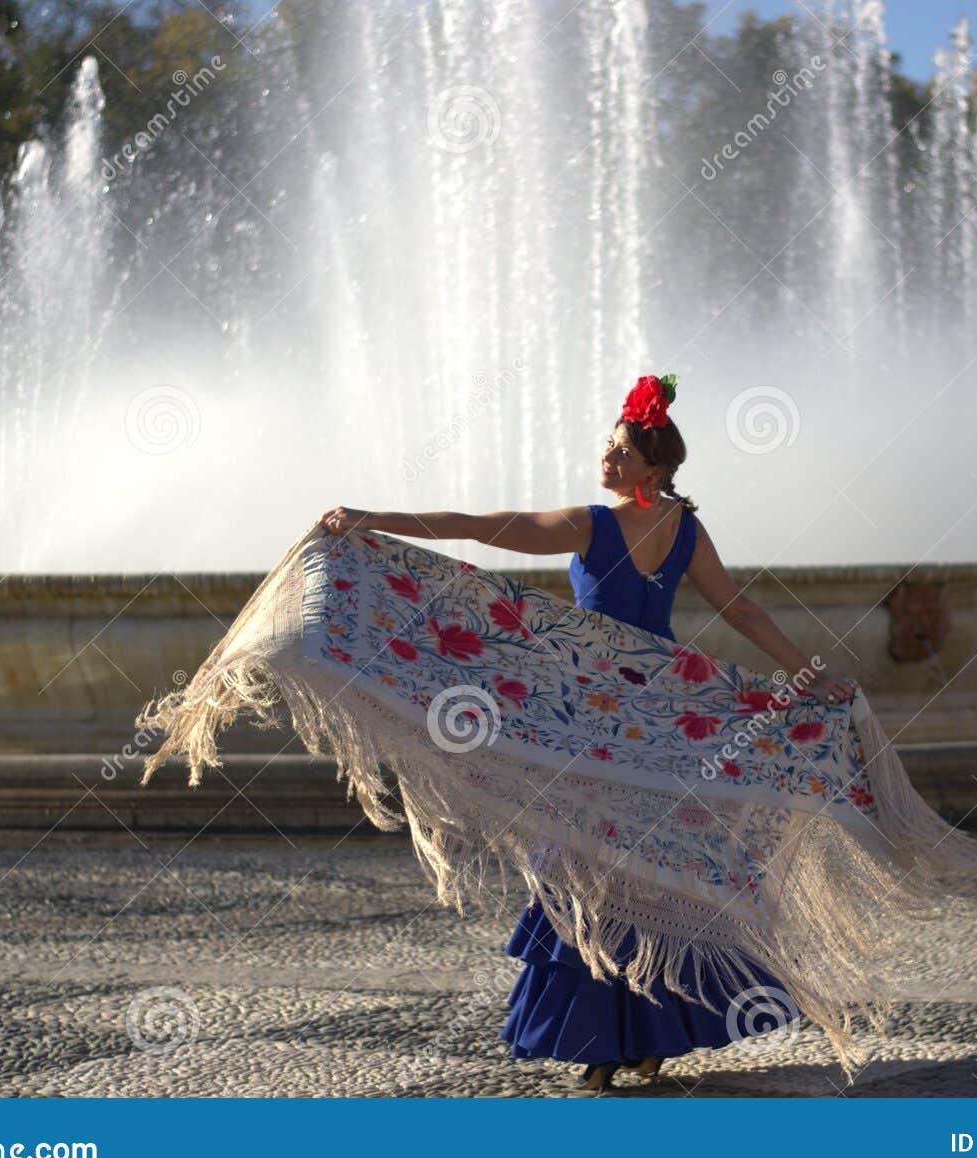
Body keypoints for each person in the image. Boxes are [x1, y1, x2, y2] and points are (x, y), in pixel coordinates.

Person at [318, 373, 857, 1093]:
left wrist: (371, 518)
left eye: (619, 452)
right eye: (607, 448)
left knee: (578, 861)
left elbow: (480, 526)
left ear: (652, 468)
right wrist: (808, 674)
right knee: (657, 861)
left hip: (592, 718)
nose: (605, 461)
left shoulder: (592, 525)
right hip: (660, 715)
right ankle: (650, 1036)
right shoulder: (685, 530)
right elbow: (743, 614)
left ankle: (602, 1042)